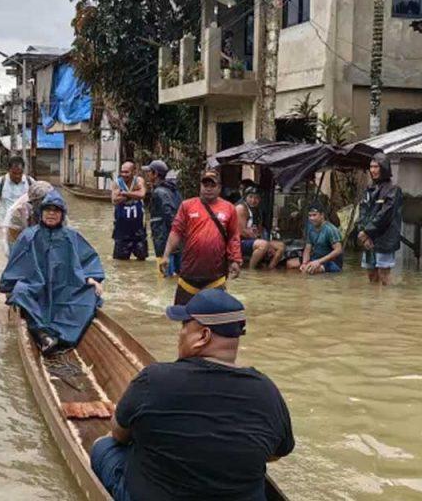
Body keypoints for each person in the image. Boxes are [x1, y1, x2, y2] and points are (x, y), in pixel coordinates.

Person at [90, 288, 294, 501]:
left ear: (203, 336)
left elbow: (119, 433)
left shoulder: (154, 379)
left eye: (184, 326)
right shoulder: (266, 390)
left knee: (103, 445)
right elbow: (277, 453)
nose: (180, 334)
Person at [0, 190, 104, 355]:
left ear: (62, 215)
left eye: (56, 211)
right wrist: (11, 286)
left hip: (65, 287)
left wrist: (92, 278)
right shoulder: (29, 236)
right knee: (19, 292)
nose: (51, 214)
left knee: (91, 294)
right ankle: (43, 334)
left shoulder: (72, 236)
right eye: (48, 210)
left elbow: (88, 259)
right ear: (41, 213)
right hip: (37, 287)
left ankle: (62, 336)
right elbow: (16, 264)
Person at [161, 170, 242, 305]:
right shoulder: (187, 206)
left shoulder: (229, 209)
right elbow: (176, 232)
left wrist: (235, 261)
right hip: (189, 273)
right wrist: (165, 255)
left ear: (219, 188)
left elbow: (234, 236)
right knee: (183, 315)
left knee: (214, 318)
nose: (208, 189)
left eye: (212, 185)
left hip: (216, 275)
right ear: (200, 186)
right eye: (205, 185)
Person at [357, 153, 403, 285]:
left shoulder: (393, 190)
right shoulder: (369, 189)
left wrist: (367, 232)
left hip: (385, 238)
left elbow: (385, 215)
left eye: (376, 166)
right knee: (371, 274)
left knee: (384, 275)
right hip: (368, 237)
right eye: (371, 167)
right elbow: (362, 211)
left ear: (384, 168)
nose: (373, 170)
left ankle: (387, 302)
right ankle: (375, 303)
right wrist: (362, 232)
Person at [0, 156, 35, 255]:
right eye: (14, 173)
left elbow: (39, 201)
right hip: (9, 225)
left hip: (28, 225)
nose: (17, 176)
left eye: (20, 173)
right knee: (12, 253)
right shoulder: (0, 183)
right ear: (8, 170)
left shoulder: (30, 182)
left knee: (28, 253)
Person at [143, 160, 182, 277]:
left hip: (164, 240)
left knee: (164, 276)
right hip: (178, 241)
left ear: (155, 174)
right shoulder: (174, 190)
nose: (147, 175)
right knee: (179, 275)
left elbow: (168, 215)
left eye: (149, 172)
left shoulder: (159, 192)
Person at [111, 160, 149, 261]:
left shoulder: (139, 180)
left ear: (134, 172)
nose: (124, 174)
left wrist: (124, 194)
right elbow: (115, 200)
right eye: (122, 172)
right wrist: (133, 195)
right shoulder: (117, 182)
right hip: (122, 230)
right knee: (120, 262)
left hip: (138, 229)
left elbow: (142, 195)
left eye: (127, 172)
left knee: (142, 260)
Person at [2, 180, 54, 245]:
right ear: (31, 202)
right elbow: (14, 243)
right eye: (41, 202)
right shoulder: (18, 213)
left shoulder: (57, 210)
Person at [299, 204, 344, 274]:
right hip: (315, 258)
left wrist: (319, 261)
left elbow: (338, 250)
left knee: (309, 271)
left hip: (331, 262)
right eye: (310, 216)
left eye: (314, 215)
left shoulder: (330, 229)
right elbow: (307, 249)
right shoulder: (310, 228)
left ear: (322, 215)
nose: (311, 218)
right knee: (290, 264)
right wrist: (304, 263)